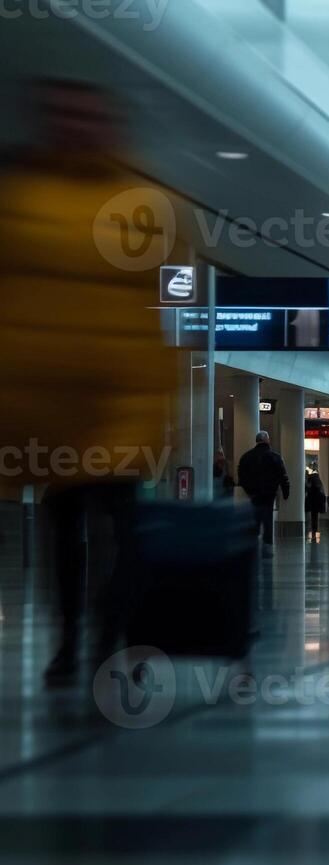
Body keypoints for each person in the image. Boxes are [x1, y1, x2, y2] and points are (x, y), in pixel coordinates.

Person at [0, 80, 179, 684]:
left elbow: (170, 302)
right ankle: (70, 639)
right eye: (62, 114)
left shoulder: (145, 204)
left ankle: (109, 640)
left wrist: (162, 397)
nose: (75, 126)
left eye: (88, 115)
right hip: (48, 411)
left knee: (123, 537)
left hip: (122, 406)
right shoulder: (19, 193)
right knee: (64, 540)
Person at [237, 430, 291, 552]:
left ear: (257, 441)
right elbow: (283, 476)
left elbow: (241, 475)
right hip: (269, 494)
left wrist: (248, 490)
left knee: (254, 519)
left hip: (253, 494)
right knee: (268, 519)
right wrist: (285, 491)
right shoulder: (275, 457)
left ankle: (252, 545)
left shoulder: (246, 457)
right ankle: (267, 546)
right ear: (267, 440)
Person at [304, 469, 328, 542]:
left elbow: (306, 489)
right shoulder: (318, 482)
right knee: (315, 518)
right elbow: (322, 492)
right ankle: (315, 532)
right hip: (317, 504)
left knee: (311, 518)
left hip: (311, 503)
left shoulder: (310, 481)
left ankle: (312, 533)